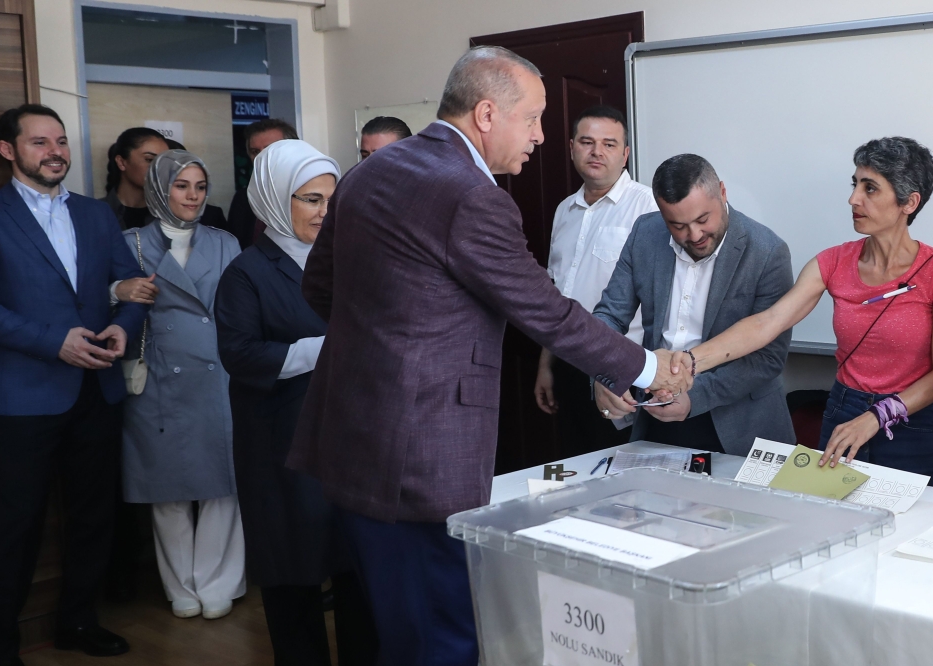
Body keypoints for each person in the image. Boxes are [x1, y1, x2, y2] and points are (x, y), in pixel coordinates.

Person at [286, 46, 690, 666]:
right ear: (484, 114)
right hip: (420, 452)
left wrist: (385, 348)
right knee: (443, 633)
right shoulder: (471, 195)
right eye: (531, 119)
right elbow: (545, 310)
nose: (539, 137)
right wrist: (648, 366)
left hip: (354, 437)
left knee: (393, 625)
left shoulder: (371, 172)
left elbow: (320, 288)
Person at [0, 104, 146, 664]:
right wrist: (51, 341)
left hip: (97, 389)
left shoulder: (94, 213)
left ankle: (78, 623)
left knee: (93, 516)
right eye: (39, 142)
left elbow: (126, 284)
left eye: (60, 140)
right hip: (24, 395)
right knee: (17, 523)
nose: (55, 151)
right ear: (7, 150)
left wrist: (121, 326)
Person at [671, 137, 933, 485]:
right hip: (844, 413)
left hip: (909, 421)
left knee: (921, 532)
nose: (853, 198)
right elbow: (766, 323)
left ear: (909, 202)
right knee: (836, 524)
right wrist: (689, 360)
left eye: (871, 188)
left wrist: (878, 416)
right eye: (855, 184)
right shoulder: (832, 262)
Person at [214, 140, 376, 665]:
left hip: (352, 439)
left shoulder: (350, 259)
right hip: (283, 444)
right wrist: (321, 350)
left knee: (357, 571)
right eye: (310, 200)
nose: (326, 212)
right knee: (293, 575)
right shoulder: (247, 273)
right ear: (272, 200)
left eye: (333, 200)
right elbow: (239, 355)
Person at [113, 150, 246, 620]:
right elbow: (93, 295)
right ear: (158, 189)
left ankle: (219, 581)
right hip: (159, 376)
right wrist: (117, 292)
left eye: (200, 187)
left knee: (221, 485)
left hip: (218, 373)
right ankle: (181, 585)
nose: (192, 196)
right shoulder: (129, 242)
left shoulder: (226, 242)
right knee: (165, 487)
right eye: (181, 186)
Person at [593, 154, 796, 455]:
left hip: (740, 426)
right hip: (655, 415)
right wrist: (603, 372)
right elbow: (609, 314)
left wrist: (695, 396)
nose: (695, 235)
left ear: (723, 193)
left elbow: (767, 358)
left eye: (703, 219)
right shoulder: (644, 234)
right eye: (678, 226)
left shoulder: (767, 252)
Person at [534, 104, 659, 456]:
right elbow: (556, 294)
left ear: (625, 153)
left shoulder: (647, 208)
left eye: (608, 143)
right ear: (572, 146)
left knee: (621, 474)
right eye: (587, 142)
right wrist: (546, 366)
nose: (596, 152)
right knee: (575, 465)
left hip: (623, 367)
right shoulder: (564, 210)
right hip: (569, 367)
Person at [101, 128, 229, 232]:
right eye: (150, 160)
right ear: (122, 162)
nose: (158, 168)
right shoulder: (93, 214)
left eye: (163, 161)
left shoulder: (194, 213)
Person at [227, 118, 299, 249]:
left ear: (294, 151)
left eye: (270, 149)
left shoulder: (312, 195)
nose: (262, 157)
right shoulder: (243, 198)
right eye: (255, 152)